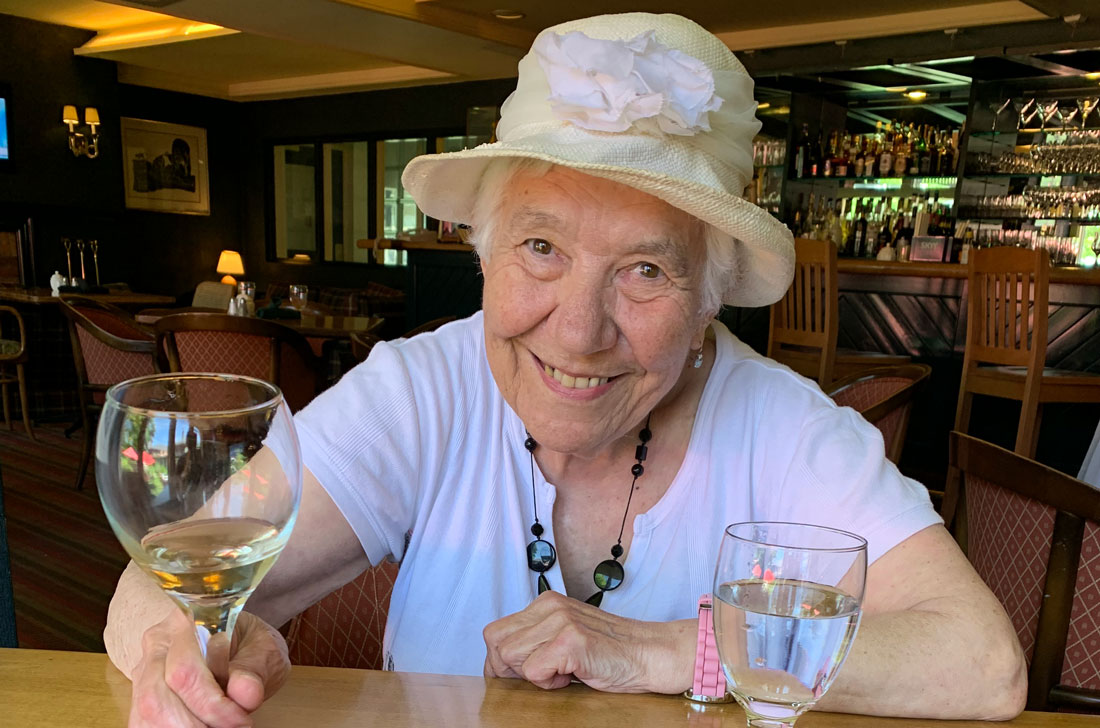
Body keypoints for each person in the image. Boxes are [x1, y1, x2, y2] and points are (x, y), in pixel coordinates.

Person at [105, 12, 1026, 728]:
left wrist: (665, 652)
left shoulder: (785, 427)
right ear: (485, 254)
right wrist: (183, 653)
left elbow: (982, 664)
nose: (580, 333)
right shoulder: (421, 390)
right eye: (541, 247)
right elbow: (157, 581)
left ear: (709, 299)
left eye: (646, 270)